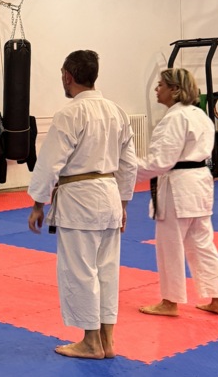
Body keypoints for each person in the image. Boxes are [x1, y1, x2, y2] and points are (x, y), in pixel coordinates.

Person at [28, 50, 137, 359]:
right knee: (107, 272)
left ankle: (90, 342)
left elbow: (49, 162)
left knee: (80, 271)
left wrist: (38, 203)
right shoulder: (117, 111)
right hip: (110, 195)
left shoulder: (70, 114)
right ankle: (107, 341)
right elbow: (129, 163)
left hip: (79, 200)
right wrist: (124, 203)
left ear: (68, 76)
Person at [137, 68, 218, 317]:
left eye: (161, 85)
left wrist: (125, 170)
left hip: (178, 187)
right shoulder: (200, 115)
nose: (157, 89)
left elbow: (160, 161)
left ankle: (170, 301)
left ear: (175, 90)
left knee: (170, 245)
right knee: (202, 243)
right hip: (200, 183)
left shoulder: (174, 118)